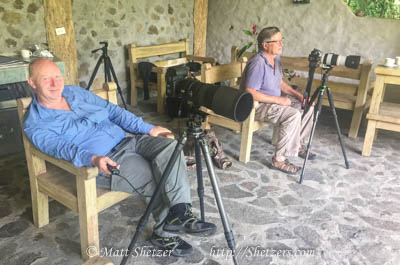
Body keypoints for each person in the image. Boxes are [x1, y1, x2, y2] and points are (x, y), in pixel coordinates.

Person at [23, 58, 216, 257]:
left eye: (57, 76)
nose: (55, 84)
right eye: (46, 79)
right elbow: (63, 149)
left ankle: (180, 212)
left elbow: (113, 111)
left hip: (129, 140)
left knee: (171, 147)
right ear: (32, 82)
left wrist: (148, 129)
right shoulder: (35, 123)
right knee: (163, 177)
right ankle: (164, 234)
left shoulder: (75, 92)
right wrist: (93, 158)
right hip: (108, 161)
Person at [240, 26, 316, 175]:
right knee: (292, 114)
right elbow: (250, 92)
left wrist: (299, 96)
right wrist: (279, 100)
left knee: (307, 106)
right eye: (277, 41)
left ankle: (296, 144)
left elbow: (279, 83)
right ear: (265, 45)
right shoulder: (258, 63)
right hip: (257, 106)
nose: (281, 44)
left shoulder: (275, 58)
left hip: (272, 103)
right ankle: (278, 159)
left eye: (282, 40)